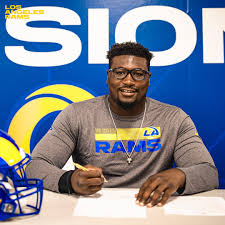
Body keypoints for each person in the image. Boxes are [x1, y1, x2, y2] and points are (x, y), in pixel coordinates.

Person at [26, 42, 218, 207]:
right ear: (108, 76)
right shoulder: (76, 114)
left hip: (154, 208)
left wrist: (179, 176)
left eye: (138, 74)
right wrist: (69, 181)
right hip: (93, 207)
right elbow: (36, 165)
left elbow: (208, 173)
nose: (128, 81)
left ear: (148, 79)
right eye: (120, 73)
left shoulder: (174, 118)